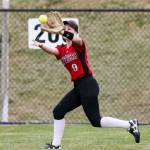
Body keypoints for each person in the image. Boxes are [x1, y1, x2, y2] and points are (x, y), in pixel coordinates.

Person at [32, 20, 140, 149]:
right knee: (58, 111)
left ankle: (129, 124)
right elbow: (53, 51)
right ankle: (56, 146)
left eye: (69, 29)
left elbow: (75, 39)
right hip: (78, 87)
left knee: (96, 121)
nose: (66, 31)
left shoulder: (79, 45)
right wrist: (41, 45)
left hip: (88, 84)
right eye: (65, 28)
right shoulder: (62, 48)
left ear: (76, 32)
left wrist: (61, 31)